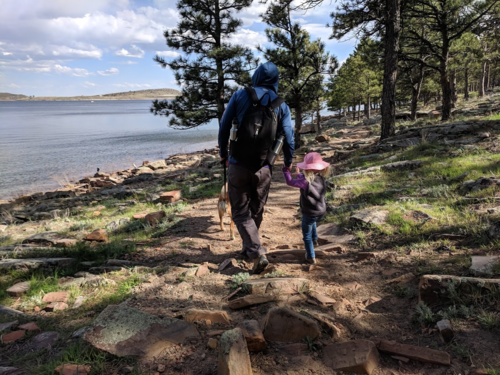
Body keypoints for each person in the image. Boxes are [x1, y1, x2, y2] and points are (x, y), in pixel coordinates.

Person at [219, 62, 295, 274]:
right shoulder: (282, 105)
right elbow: (288, 136)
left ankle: (255, 251)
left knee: (241, 212)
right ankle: (251, 248)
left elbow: (224, 127)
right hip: (264, 167)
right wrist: (289, 160)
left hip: (238, 165)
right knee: (256, 209)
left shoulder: (239, 96)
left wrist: (223, 154)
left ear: (256, 76)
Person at [282, 152, 330, 264]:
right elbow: (306, 181)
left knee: (306, 236)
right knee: (312, 222)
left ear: (306, 168)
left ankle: (310, 256)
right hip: (320, 211)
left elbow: (290, 182)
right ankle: (315, 239)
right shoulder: (321, 179)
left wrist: (286, 170)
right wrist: (299, 175)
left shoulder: (305, 182)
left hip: (309, 212)